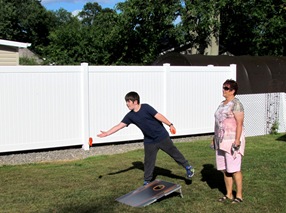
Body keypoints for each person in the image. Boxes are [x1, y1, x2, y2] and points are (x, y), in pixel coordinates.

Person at [97, 91, 194, 185]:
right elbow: (119, 125)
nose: (127, 104)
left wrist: (170, 124)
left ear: (135, 101)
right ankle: (147, 180)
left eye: (128, 101)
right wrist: (107, 133)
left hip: (161, 137)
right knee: (148, 161)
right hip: (149, 141)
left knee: (174, 153)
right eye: (126, 101)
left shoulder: (146, 107)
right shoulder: (130, 116)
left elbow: (158, 116)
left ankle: (188, 167)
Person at [212, 79, 245, 204]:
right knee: (225, 169)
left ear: (233, 91)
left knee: (235, 168)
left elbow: (239, 123)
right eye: (223, 87)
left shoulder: (236, 104)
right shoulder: (222, 104)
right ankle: (229, 194)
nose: (224, 90)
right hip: (221, 140)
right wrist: (214, 138)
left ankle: (239, 196)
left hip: (232, 140)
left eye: (226, 88)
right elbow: (218, 122)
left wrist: (237, 141)